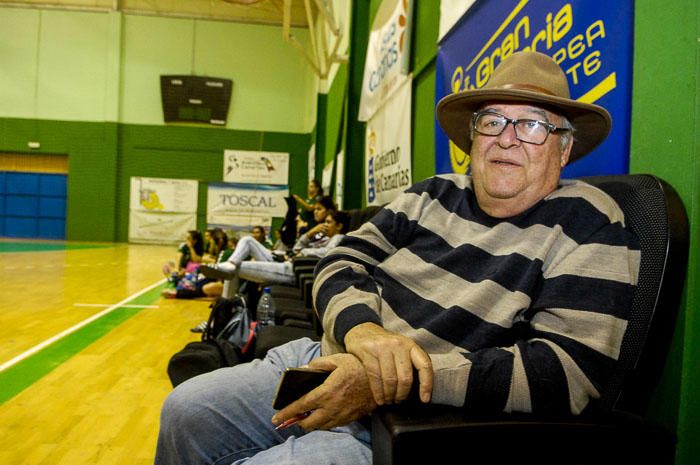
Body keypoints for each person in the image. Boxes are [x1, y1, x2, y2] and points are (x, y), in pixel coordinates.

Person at [154, 51, 640, 465]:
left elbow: (567, 373)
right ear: (473, 136)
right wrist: (362, 331)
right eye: (493, 120)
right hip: (326, 357)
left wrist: (392, 379)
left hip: (416, 422)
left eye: (533, 124)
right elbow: (342, 258)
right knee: (185, 411)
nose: (507, 138)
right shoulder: (434, 193)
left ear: (564, 146)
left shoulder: (591, 222)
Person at [199, 197, 338, 292]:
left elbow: (327, 253)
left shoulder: (338, 238)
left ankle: (222, 317)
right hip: (284, 260)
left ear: (339, 226)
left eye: (329, 222)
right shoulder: (319, 235)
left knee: (234, 270)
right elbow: (296, 248)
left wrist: (299, 254)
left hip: (293, 269)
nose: (325, 224)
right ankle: (230, 263)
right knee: (247, 240)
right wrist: (308, 235)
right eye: (325, 221)